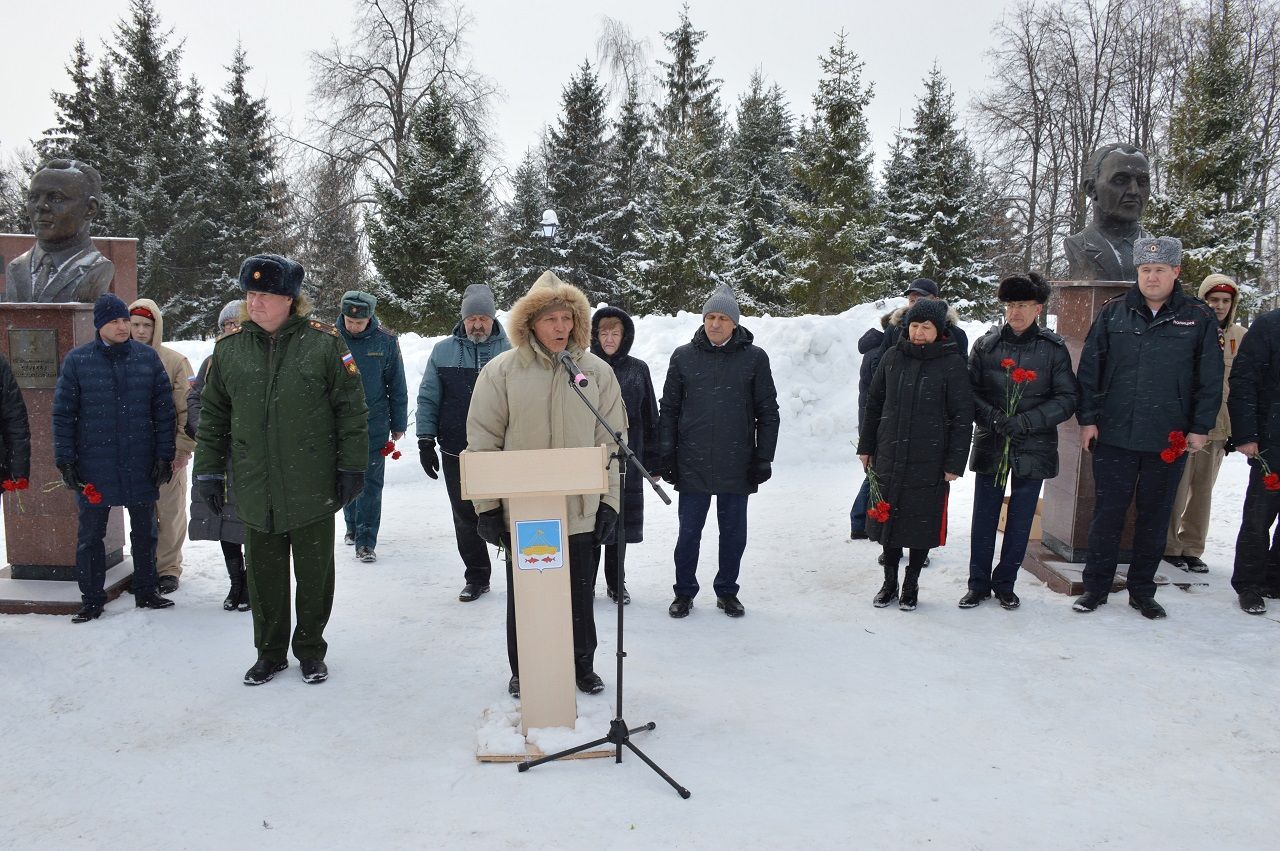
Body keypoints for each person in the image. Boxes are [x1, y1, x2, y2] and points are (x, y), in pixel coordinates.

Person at [193, 254, 369, 685]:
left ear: (290, 299)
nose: (255, 303)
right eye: (250, 294)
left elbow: (351, 411)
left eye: (265, 295)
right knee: (264, 578)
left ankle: (310, 649)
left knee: (314, 575)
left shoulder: (325, 345)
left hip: (311, 484)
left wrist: (352, 466)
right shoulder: (229, 350)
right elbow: (213, 417)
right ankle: (269, 653)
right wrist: (209, 472)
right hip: (255, 486)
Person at [466, 271, 624, 697]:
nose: (561, 327)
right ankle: (525, 668)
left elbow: (611, 441)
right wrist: (488, 507)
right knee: (529, 595)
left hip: (579, 510)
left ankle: (581, 665)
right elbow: (483, 443)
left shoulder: (595, 373)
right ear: (530, 323)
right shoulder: (501, 372)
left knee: (579, 596)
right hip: (527, 514)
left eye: (568, 318)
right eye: (551, 319)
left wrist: (609, 501)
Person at [1073, 237, 1223, 619]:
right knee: (1108, 513)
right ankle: (1096, 587)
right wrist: (1088, 419)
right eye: (1145, 270)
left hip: (1167, 438)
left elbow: (1209, 378)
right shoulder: (1113, 313)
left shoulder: (1198, 317)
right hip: (1115, 434)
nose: (1151, 276)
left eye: (1159, 269)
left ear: (1176, 271)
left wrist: (1200, 427)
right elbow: (1091, 370)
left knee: (1155, 516)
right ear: (1137, 273)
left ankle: (1142, 589)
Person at [53, 293, 176, 622]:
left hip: (140, 460)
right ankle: (92, 598)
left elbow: (163, 412)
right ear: (100, 326)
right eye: (115, 321)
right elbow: (64, 415)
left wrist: (165, 455)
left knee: (146, 530)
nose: (123, 327)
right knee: (91, 535)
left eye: (125, 320)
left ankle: (148, 590)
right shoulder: (78, 362)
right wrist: (65, 459)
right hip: (95, 463)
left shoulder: (147, 359)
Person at [660, 284, 780, 619]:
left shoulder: (754, 358)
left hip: (736, 463)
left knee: (733, 534)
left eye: (722, 318)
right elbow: (668, 409)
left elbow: (768, 411)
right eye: (710, 316)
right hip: (692, 461)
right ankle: (684, 592)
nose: (715, 323)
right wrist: (667, 453)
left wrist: (763, 457)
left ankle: (727, 591)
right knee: (689, 533)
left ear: (735, 323)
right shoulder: (683, 356)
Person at [962, 273, 1078, 609]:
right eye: (1011, 305)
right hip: (992, 441)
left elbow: (1067, 398)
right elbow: (968, 392)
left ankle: (1005, 584)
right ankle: (977, 583)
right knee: (984, 516)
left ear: (1038, 308)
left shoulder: (1053, 349)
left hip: (1034, 444)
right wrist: (996, 418)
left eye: (1023, 305)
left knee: (1021, 519)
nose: (1015, 312)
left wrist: (1027, 421)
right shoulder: (986, 345)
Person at [858, 298, 973, 611]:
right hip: (889, 452)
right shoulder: (893, 356)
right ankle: (889, 581)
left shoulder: (951, 363)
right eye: (914, 326)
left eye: (926, 326)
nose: (919, 332)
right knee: (889, 521)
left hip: (930, 458)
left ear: (938, 330)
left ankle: (911, 583)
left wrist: (954, 462)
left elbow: (962, 416)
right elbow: (875, 403)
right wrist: (866, 447)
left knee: (920, 522)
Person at [416, 284, 511, 601]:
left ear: (493, 318)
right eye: (472, 318)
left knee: (507, 513)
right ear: (464, 318)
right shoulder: (442, 351)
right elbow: (429, 397)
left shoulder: (511, 351)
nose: (478, 324)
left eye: (484, 317)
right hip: (456, 449)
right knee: (465, 516)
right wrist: (425, 439)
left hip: (501, 451)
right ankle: (477, 576)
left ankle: (520, 571)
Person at [1163, 274, 1246, 573]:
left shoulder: (1240, 336)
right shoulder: (1189, 329)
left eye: (1225, 301)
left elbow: (1244, 386)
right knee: (1178, 487)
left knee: (1203, 490)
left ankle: (1192, 546)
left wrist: (1240, 429)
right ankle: (1169, 545)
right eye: (1213, 300)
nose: (1219, 306)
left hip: (1220, 428)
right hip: (1188, 425)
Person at [589, 306, 659, 604]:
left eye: (615, 333)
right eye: (603, 332)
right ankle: (585, 583)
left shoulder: (637, 368)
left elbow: (650, 416)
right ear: (595, 335)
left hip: (628, 459)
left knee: (618, 526)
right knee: (590, 523)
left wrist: (653, 461)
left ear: (625, 336)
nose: (609, 338)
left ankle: (617, 583)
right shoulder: (585, 366)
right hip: (592, 459)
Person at [128, 298, 196, 593]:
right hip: (133, 452)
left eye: (147, 325)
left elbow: (188, 410)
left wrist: (183, 449)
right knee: (142, 514)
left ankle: (168, 568)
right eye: (135, 325)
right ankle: (145, 566)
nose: (141, 331)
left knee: (169, 512)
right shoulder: (121, 359)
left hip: (167, 452)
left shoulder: (175, 362)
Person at [186, 300, 249, 611]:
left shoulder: (255, 359)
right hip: (217, 456)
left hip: (247, 455)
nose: (231, 329)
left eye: (236, 324)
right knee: (223, 519)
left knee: (248, 520)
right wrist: (203, 429)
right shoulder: (211, 362)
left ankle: (251, 584)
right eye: (226, 325)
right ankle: (235, 582)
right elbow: (195, 397)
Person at [337, 290, 407, 564]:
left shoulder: (386, 341)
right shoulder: (329, 339)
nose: (354, 326)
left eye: (359, 322)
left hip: (373, 423)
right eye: (349, 321)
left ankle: (366, 542)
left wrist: (398, 422)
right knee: (345, 478)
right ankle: (352, 526)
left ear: (370, 318)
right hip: (339, 424)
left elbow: (396, 384)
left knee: (370, 483)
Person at [1227, 306, 1280, 614]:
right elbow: (1244, 382)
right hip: (1273, 443)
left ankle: (1275, 578)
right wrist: (1246, 435)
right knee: (1259, 517)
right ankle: (1249, 583)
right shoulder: (1269, 326)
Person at [3, 159, 114, 303]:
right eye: (33, 198)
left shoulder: (97, 269)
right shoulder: (16, 268)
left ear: (90, 209)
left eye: (56, 198)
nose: (41, 206)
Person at [1063, 144, 1152, 282]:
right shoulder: (1079, 245)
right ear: (1091, 188)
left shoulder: (1157, 248)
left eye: (1142, 181)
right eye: (1120, 180)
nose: (1134, 191)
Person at [850, 314, 888, 540]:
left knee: (874, 471)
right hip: (873, 421)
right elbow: (878, 391)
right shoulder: (878, 353)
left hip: (868, 419)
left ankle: (860, 522)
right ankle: (859, 520)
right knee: (874, 472)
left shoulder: (873, 350)